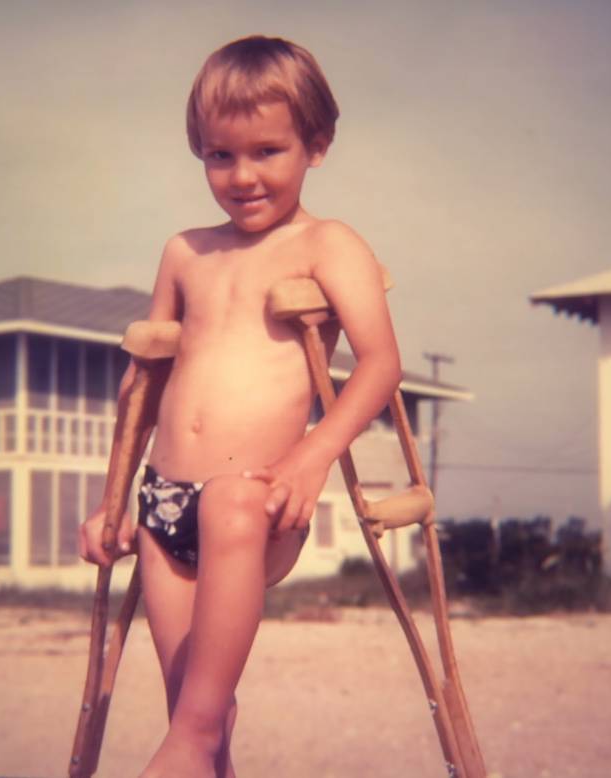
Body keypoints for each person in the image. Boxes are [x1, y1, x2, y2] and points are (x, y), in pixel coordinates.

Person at [78, 35, 402, 778]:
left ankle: (192, 742)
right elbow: (143, 385)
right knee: (194, 712)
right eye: (220, 156)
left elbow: (380, 365)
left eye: (267, 152)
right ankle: (200, 748)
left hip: (254, 504)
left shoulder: (326, 243)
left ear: (316, 146)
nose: (242, 176)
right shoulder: (185, 253)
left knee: (190, 725)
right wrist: (113, 500)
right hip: (164, 503)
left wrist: (312, 458)